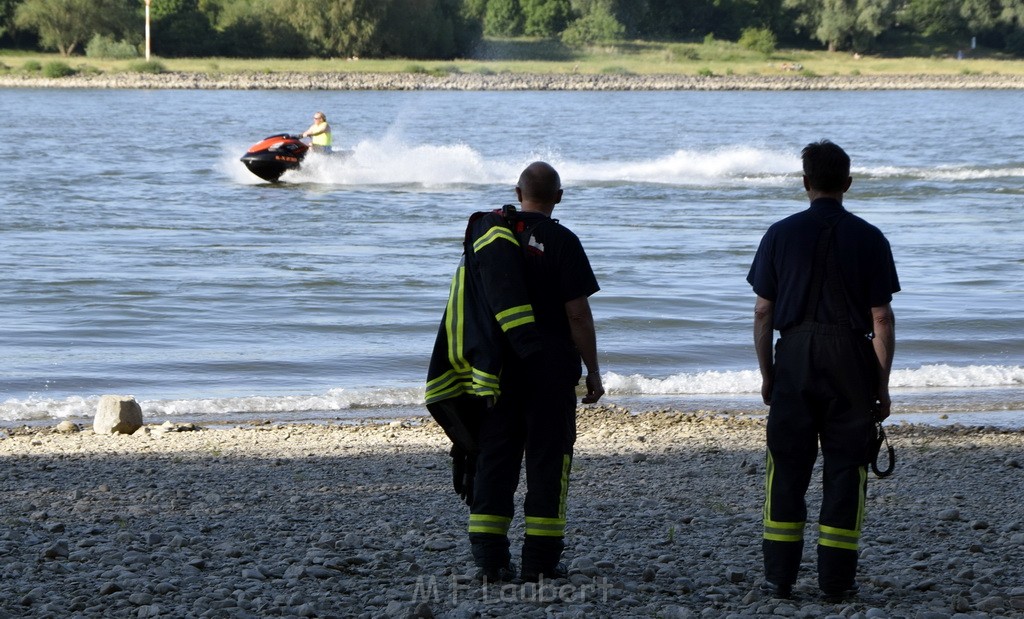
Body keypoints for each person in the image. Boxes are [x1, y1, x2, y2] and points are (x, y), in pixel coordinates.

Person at [425, 162, 604, 584]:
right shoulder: (562, 240)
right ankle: (540, 563)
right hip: (550, 371)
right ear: (559, 196)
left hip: (496, 371)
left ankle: (490, 562)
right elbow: (577, 312)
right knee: (549, 460)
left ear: (516, 191)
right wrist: (593, 371)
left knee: (494, 459)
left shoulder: (487, 236)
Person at [746, 140, 899, 602]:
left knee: (786, 468)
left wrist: (768, 372)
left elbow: (762, 313)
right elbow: (882, 319)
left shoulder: (779, 233)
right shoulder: (870, 237)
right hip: (851, 358)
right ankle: (836, 582)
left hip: (794, 354)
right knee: (846, 469)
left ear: (805, 182)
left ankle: (779, 579)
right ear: (847, 184)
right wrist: (882, 383)